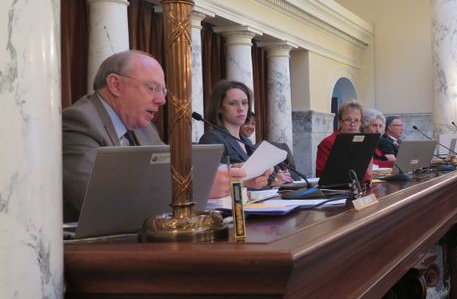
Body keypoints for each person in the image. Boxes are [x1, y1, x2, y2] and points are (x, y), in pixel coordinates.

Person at [62, 50, 246, 221]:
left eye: (162, 91)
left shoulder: (144, 128)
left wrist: (230, 173)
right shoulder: (79, 122)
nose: (161, 100)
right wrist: (194, 189)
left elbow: (172, 171)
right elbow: (95, 200)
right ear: (115, 85)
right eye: (152, 88)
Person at [199, 80, 289, 186]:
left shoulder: (246, 141)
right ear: (219, 108)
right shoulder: (211, 138)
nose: (241, 109)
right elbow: (208, 176)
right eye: (233, 103)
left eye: (244, 103)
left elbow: (261, 178)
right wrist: (233, 168)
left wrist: (274, 178)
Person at [316, 100, 365, 177]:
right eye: (348, 120)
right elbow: (321, 172)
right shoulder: (329, 142)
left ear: (360, 123)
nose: (353, 124)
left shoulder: (363, 140)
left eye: (356, 120)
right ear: (340, 122)